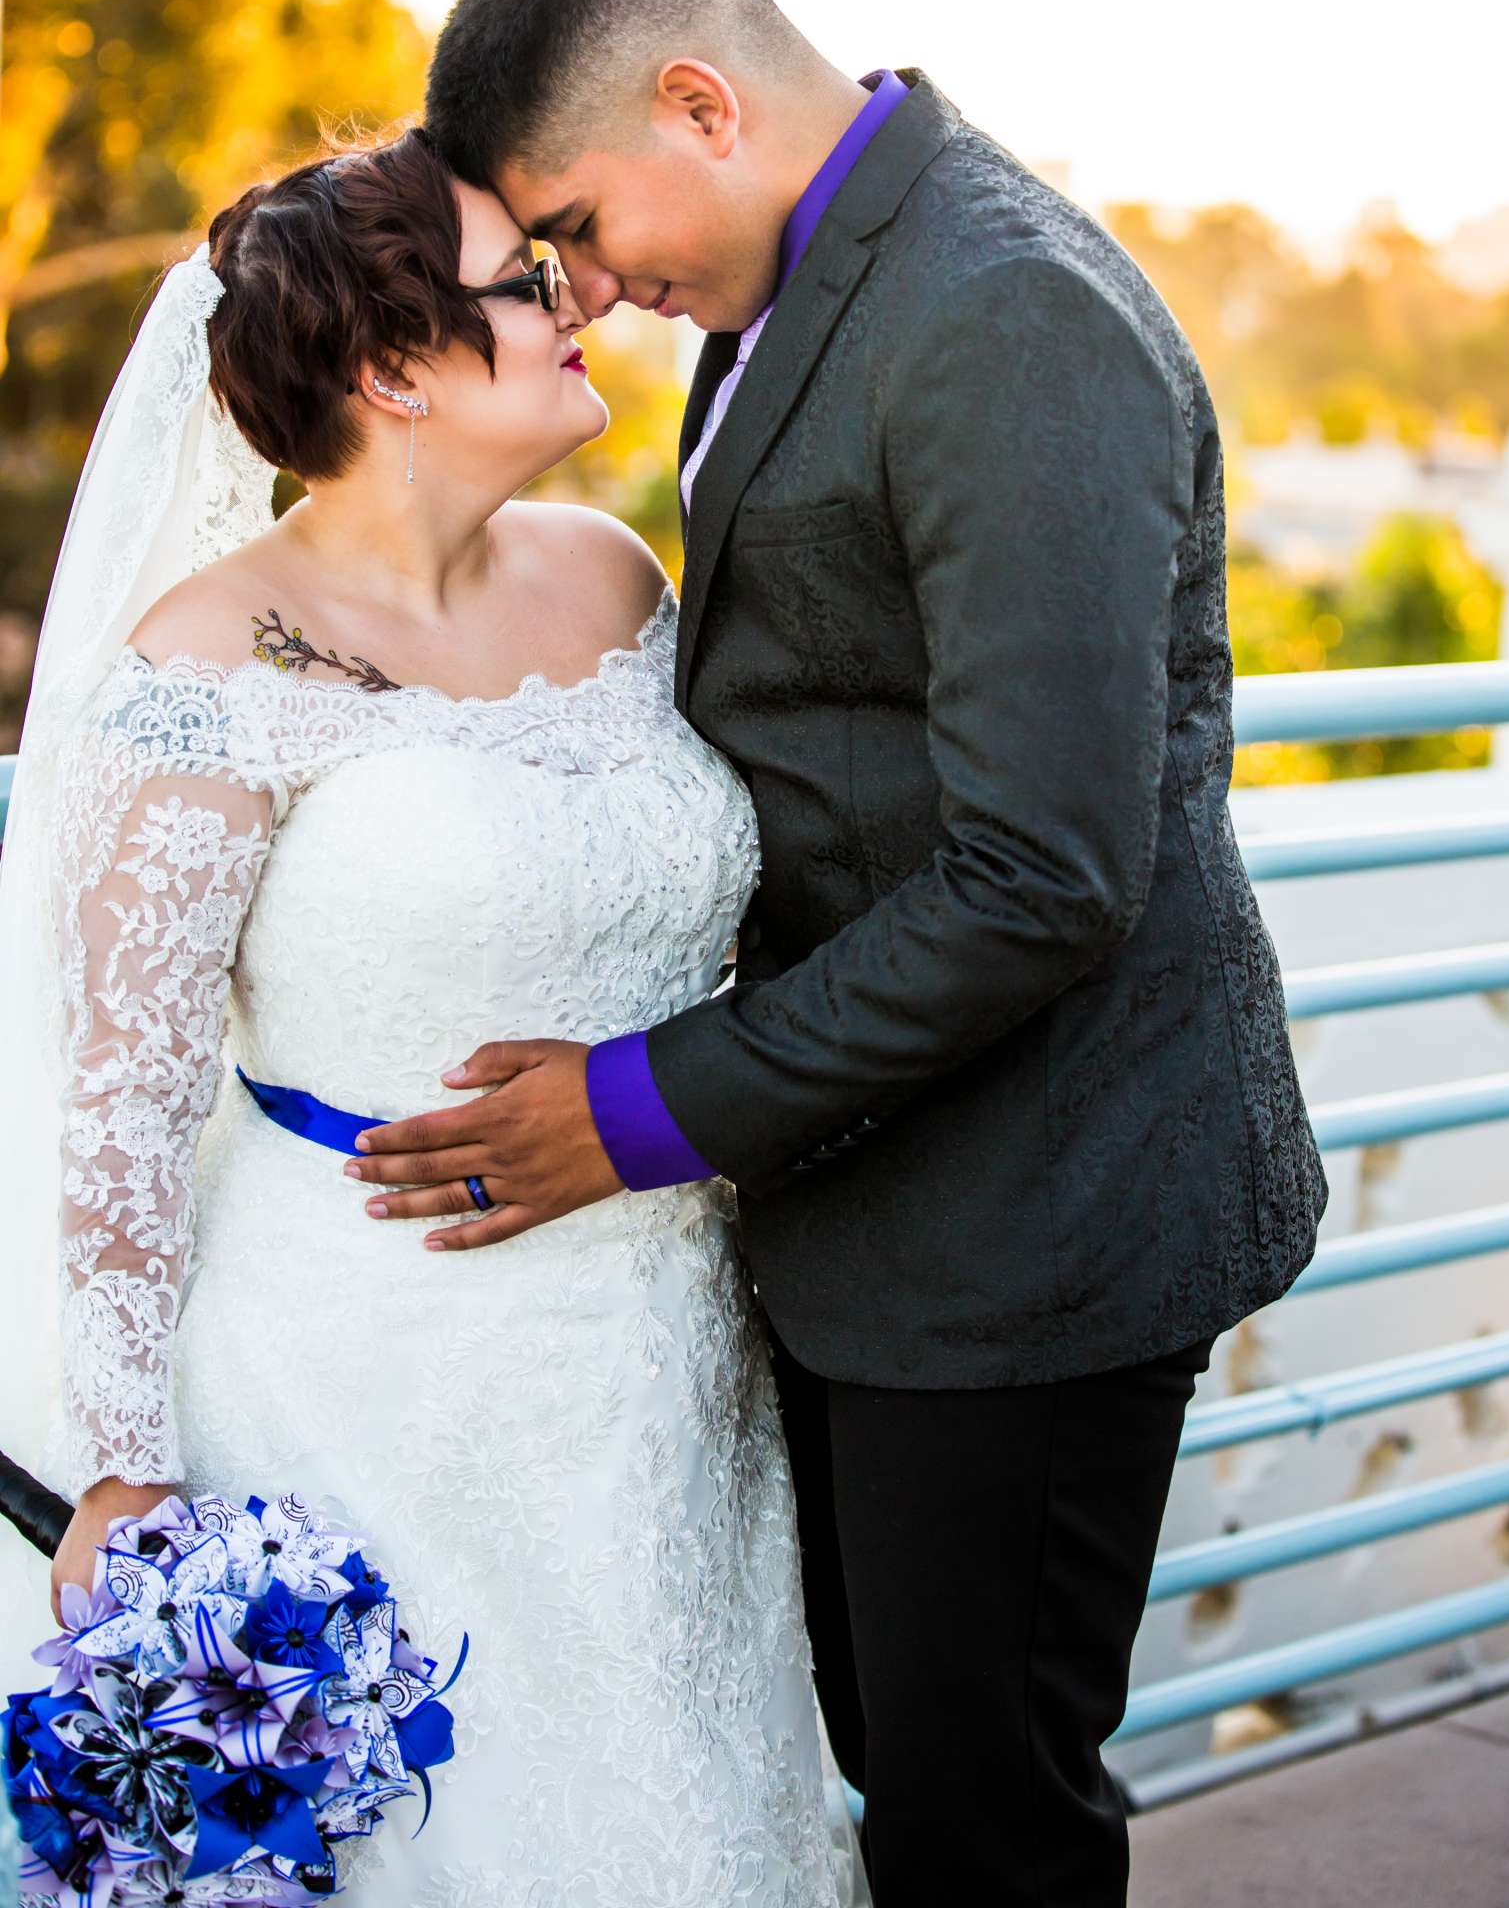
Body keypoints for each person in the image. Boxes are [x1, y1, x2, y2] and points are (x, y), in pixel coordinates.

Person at [363, 0, 1334, 1907]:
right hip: (878, 1201)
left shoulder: (997, 312)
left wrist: (630, 1110)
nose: (583, 287)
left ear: (696, 104)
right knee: (897, 1764)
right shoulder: (795, 303)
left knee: (984, 1820)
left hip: (1041, 1220)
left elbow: (1037, 872)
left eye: (568, 223)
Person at [0, 130, 866, 1905]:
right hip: (375, 1380)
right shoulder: (205, 673)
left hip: (675, 1352)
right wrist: (125, 1472)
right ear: (395, 369)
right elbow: (125, 1107)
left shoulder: (618, 579)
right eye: (524, 281)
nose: (578, 300)